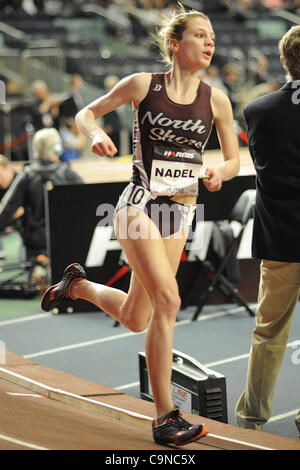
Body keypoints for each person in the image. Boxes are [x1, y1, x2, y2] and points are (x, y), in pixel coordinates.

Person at [41, 5, 240, 446]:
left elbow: (233, 158)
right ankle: (165, 416)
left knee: (137, 317)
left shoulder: (217, 99)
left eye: (212, 37)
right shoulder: (141, 85)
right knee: (169, 300)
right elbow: (84, 114)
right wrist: (94, 134)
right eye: (200, 35)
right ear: (175, 44)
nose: (210, 43)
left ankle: (76, 286)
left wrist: (219, 174)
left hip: (180, 213)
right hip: (139, 205)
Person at [235, 25, 300, 437]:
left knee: (268, 334)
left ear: (283, 61)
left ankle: (249, 422)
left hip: (279, 238)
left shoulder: (257, 111)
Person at [0, 128, 83, 264]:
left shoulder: (27, 175)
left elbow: (6, 210)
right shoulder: (68, 174)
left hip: (34, 245)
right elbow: (85, 203)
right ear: (57, 148)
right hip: (65, 242)